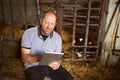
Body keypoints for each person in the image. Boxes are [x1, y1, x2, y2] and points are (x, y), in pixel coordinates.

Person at [21, 10, 74, 80]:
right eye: (46, 22)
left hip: (50, 67)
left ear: (55, 24)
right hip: (33, 67)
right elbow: (24, 58)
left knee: (69, 78)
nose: (49, 27)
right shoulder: (28, 33)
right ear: (41, 21)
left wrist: (57, 64)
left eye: (52, 24)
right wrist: (41, 58)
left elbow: (57, 58)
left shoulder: (57, 38)